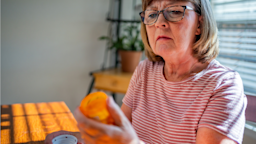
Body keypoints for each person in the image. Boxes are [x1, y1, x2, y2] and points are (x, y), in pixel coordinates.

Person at [45, 0, 247, 144]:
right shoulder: (144, 71)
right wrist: (80, 138)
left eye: (175, 11)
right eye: (152, 14)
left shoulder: (224, 84)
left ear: (199, 24)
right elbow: (120, 131)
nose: (159, 22)